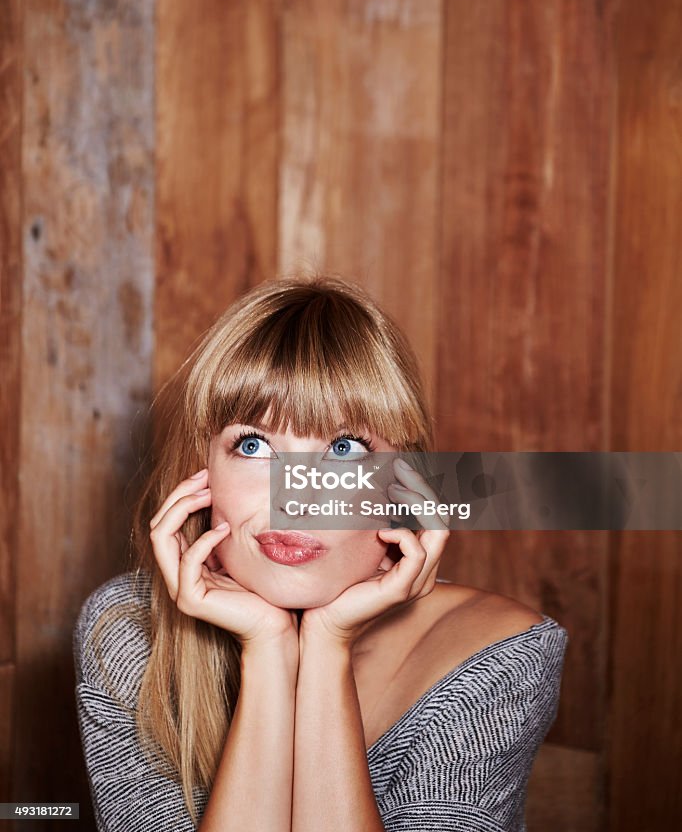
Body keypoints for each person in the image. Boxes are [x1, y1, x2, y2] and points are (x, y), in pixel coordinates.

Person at [73, 274, 569, 832]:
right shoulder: (129, 628)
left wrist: (328, 648)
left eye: (343, 448)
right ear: (203, 470)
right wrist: (268, 650)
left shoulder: (497, 654)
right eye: (254, 445)